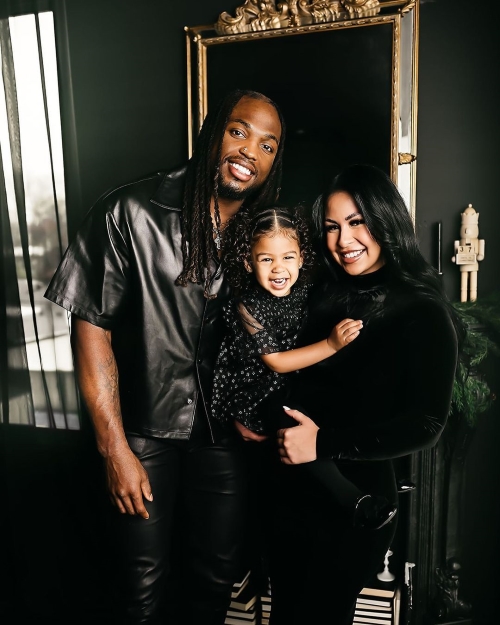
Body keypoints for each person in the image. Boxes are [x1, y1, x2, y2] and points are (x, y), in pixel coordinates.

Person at [44, 89, 285, 625]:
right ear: (213, 132)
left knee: (215, 583)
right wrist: (115, 450)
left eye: (268, 145)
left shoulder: (268, 235)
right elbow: (91, 326)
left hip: (224, 438)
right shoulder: (130, 210)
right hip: (143, 434)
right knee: (141, 592)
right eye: (239, 131)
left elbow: (273, 335)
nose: (250, 151)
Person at [269, 164, 463, 625]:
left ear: (385, 219)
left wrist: (321, 443)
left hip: (354, 501)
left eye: (357, 222)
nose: (343, 240)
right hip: (286, 489)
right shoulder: (318, 291)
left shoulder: (421, 308)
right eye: (333, 227)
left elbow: (427, 424)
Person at [212, 205, 396, 529]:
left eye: (287, 257)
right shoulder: (247, 305)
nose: (278, 268)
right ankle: (355, 500)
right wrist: (331, 345)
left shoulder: (306, 288)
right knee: (294, 421)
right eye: (266, 259)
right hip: (255, 392)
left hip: (292, 383)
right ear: (248, 262)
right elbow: (277, 362)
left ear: (300, 259)